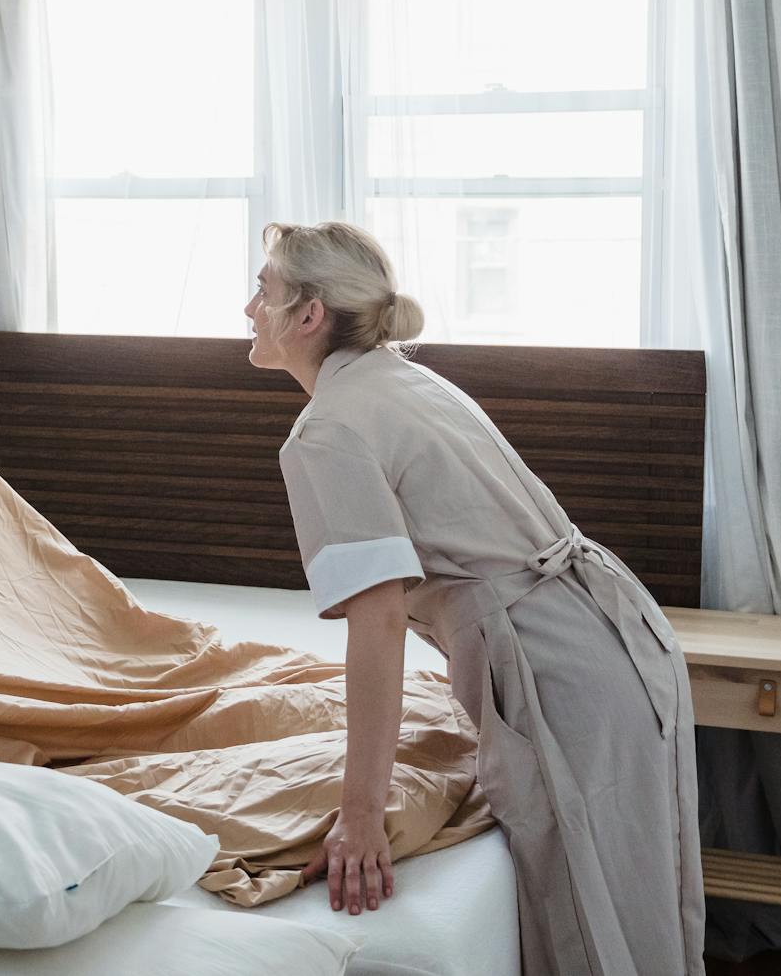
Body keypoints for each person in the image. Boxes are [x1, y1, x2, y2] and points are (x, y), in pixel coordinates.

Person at [246, 221, 703, 976]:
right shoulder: (405, 378)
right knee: (640, 912)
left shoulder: (325, 430)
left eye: (262, 290)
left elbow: (380, 618)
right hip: (621, 637)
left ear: (308, 314)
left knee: (591, 923)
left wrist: (359, 815)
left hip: (558, 673)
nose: (246, 308)